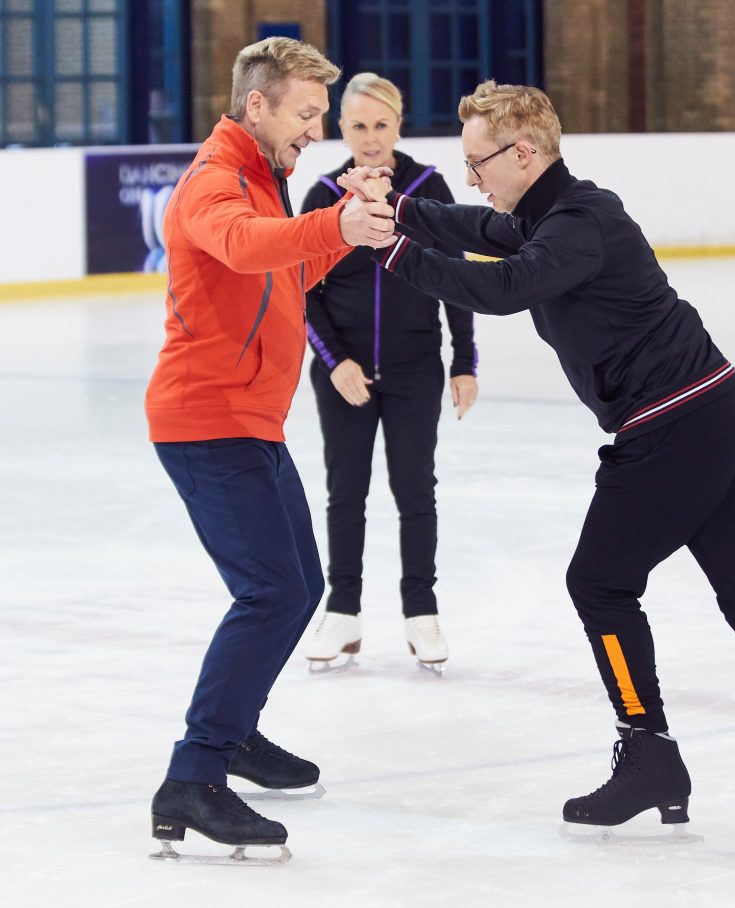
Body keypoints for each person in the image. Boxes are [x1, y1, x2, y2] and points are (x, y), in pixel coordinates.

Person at [339, 80, 735, 858]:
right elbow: (477, 225)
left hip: (676, 426)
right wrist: (401, 211)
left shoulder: (582, 220)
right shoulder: (543, 214)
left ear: (522, 153)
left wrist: (390, 248)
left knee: (601, 581)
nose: (472, 177)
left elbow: (505, 285)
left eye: (478, 162)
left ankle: (650, 753)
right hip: (713, 411)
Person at [143, 37, 396, 862]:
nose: (316, 131)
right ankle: (194, 774)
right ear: (258, 107)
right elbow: (247, 246)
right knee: (271, 590)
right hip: (205, 420)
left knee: (298, 585)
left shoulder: (264, 179)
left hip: (249, 420)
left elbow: (284, 273)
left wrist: (346, 231)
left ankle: (235, 734)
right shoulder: (216, 182)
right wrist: (330, 220)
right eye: (305, 113)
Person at [299, 73, 478, 673]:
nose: (370, 139)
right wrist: (335, 361)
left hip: (415, 367)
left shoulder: (427, 189)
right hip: (342, 372)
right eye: (357, 126)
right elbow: (302, 293)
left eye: (381, 124)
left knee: (414, 489)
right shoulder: (324, 194)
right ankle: (342, 613)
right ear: (341, 129)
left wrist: (465, 362)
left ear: (398, 124)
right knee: (345, 493)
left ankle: (420, 613)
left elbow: (457, 278)